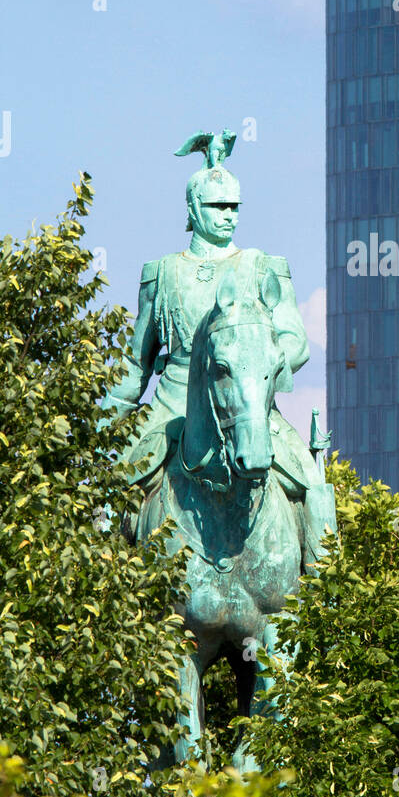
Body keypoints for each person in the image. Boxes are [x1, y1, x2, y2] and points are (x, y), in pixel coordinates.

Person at [101, 130, 331, 556]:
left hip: (249, 401)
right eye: (217, 206)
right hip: (174, 402)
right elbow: (137, 363)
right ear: (192, 208)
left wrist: (262, 369)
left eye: (234, 207)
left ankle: (327, 596)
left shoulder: (263, 266)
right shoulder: (161, 273)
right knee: (111, 488)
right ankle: (99, 589)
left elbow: (295, 340)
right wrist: (100, 425)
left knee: (313, 485)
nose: (229, 215)